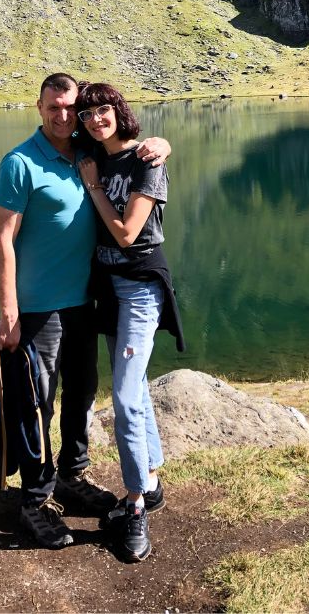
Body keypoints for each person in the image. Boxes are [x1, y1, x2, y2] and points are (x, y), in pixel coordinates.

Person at [0, 72, 171, 550]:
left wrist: (160, 143)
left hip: (86, 303)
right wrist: (8, 310)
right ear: (39, 107)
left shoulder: (88, 156)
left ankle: (71, 476)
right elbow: (2, 240)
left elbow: (135, 160)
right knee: (36, 402)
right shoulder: (20, 163)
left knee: (81, 396)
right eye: (54, 107)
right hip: (38, 309)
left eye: (71, 108)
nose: (64, 115)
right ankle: (35, 499)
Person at [76, 82, 184, 564]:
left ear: (119, 111)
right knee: (135, 388)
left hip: (139, 286)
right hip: (107, 288)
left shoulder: (145, 161)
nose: (96, 119)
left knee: (122, 398)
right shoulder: (89, 151)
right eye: (88, 114)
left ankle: (136, 506)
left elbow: (126, 233)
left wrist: (95, 185)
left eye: (104, 110)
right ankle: (152, 482)